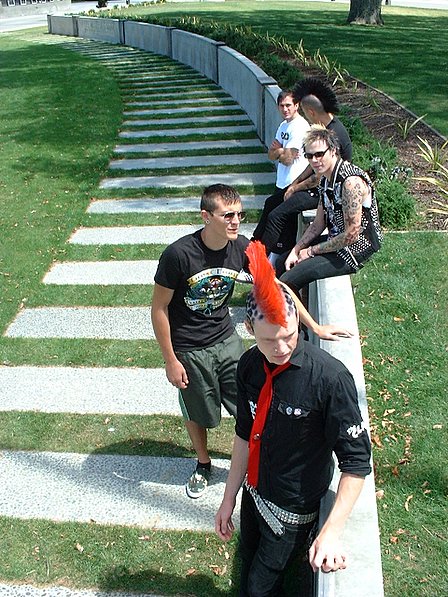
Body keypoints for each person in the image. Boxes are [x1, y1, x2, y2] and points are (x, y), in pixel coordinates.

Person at [152, 184, 353, 499]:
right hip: (189, 349)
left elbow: (278, 287)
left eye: (240, 214)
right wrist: (170, 360)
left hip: (226, 339)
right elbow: (159, 308)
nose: (235, 221)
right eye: (227, 215)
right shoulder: (179, 255)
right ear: (206, 216)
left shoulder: (242, 248)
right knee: (198, 412)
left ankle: (259, 459)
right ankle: (203, 463)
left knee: (253, 403)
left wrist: (314, 325)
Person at [215, 242, 372, 596]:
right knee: (248, 565)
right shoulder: (250, 366)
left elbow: (357, 462)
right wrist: (229, 498)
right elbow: (244, 434)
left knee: (260, 589)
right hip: (254, 497)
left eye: (289, 334)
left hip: (292, 513)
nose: (283, 348)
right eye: (270, 340)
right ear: (250, 330)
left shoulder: (329, 379)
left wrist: (331, 530)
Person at [278, 125, 382, 294]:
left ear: (333, 150)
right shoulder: (325, 179)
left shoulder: (350, 183)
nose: (314, 160)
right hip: (336, 239)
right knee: (282, 261)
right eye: (309, 156)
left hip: (355, 248)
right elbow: (317, 224)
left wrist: (310, 251)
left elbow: (351, 234)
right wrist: (296, 250)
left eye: (319, 154)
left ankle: (300, 321)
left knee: (288, 281)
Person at [256, 77, 353, 258]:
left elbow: (319, 177)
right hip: (315, 187)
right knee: (271, 203)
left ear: (310, 111)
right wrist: (295, 183)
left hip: (322, 193)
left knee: (277, 215)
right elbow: (312, 166)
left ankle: (260, 261)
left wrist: (297, 188)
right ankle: (251, 252)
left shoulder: (334, 134)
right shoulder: (326, 129)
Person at [251, 90, 309, 257]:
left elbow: (288, 159)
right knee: (274, 214)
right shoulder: (283, 125)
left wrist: (279, 149)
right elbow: (271, 155)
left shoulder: (300, 127)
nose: (285, 109)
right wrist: (280, 151)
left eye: (288, 105)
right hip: (282, 182)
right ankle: (261, 254)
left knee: (276, 216)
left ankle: (261, 255)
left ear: (296, 105)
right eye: (282, 106)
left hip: (294, 183)